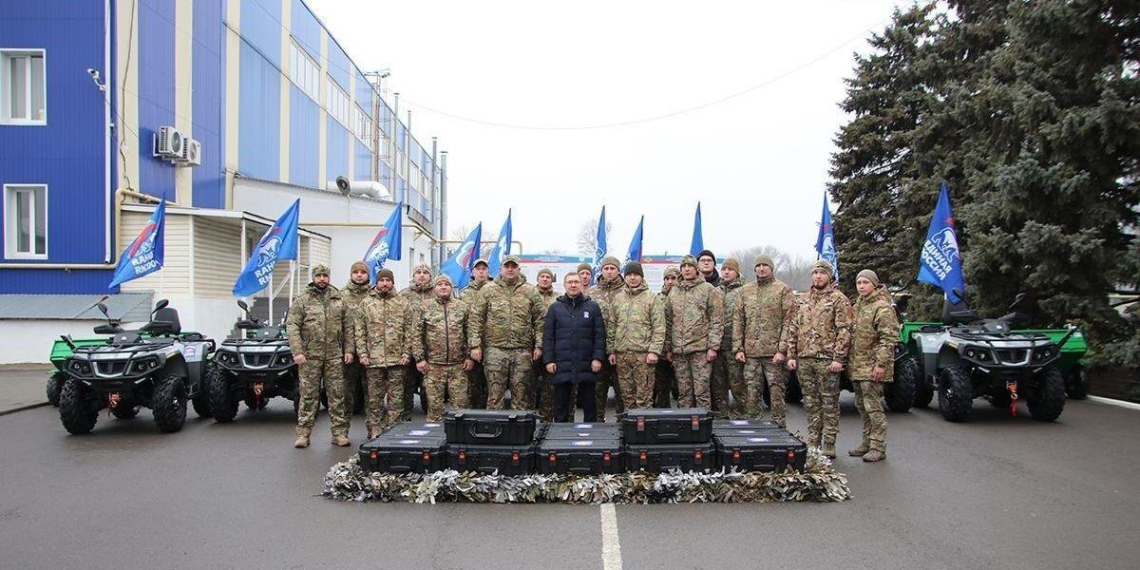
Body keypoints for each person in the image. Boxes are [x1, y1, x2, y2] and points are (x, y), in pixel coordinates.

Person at [786, 260, 852, 459]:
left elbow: (845, 330)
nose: (818, 276)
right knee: (811, 402)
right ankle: (814, 440)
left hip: (827, 360)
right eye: (815, 273)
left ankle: (829, 443)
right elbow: (793, 328)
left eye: (822, 273)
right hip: (805, 358)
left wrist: (839, 357)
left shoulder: (839, 300)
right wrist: (791, 354)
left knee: (829, 402)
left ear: (829, 277)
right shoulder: (803, 300)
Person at [468, 255, 545, 410]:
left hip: (522, 351)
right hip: (495, 350)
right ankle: (494, 431)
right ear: (500, 269)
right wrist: (475, 346)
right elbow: (476, 318)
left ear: (518, 269)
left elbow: (540, 320)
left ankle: (519, 432)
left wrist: (539, 345)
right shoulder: (488, 290)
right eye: (507, 266)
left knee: (521, 396)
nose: (510, 269)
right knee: (495, 396)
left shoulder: (530, 291)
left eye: (513, 266)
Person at [286, 264, 351, 448]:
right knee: (308, 396)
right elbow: (292, 326)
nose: (322, 279)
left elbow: (348, 327)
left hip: (334, 356)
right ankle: (304, 434)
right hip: (309, 356)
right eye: (318, 276)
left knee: (337, 395)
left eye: (325, 275)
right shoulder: (303, 300)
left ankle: (339, 433)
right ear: (313, 277)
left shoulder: (338, 298)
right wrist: (297, 351)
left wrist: (348, 350)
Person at [732, 254, 797, 426]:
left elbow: (789, 321)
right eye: (758, 265)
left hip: (774, 355)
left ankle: (780, 432)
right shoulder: (745, 291)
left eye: (765, 265)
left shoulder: (783, 290)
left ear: (771, 268)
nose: (761, 268)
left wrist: (782, 350)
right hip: (751, 354)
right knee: (752, 396)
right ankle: (753, 432)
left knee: (776, 395)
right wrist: (738, 348)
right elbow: (739, 321)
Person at [353, 268, 413, 438]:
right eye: (381, 280)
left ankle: (393, 432)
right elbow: (359, 331)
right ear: (377, 283)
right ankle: (375, 431)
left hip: (397, 361)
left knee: (396, 399)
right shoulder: (366, 304)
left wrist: (406, 354)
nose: (385, 283)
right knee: (374, 399)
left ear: (392, 282)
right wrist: (362, 354)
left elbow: (410, 330)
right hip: (373, 360)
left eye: (388, 280)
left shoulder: (402, 303)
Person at [848, 269, 898, 462]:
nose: (861, 286)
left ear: (874, 285)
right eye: (859, 283)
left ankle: (878, 446)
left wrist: (880, 364)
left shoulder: (882, 307)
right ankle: (867, 442)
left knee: (873, 407)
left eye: (865, 283)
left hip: (873, 367)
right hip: (858, 366)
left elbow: (888, 339)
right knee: (861, 405)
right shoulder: (858, 306)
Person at [542, 272, 606, 422]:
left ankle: (590, 437)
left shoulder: (592, 307)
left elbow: (599, 335)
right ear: (564, 285)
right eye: (569, 282)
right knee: (561, 406)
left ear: (581, 284)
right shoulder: (555, 308)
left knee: (589, 405)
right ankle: (560, 438)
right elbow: (548, 337)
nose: (573, 285)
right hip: (562, 364)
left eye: (576, 282)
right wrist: (549, 360)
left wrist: (597, 358)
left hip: (587, 364)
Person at [664, 255, 724, 410]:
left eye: (690, 266)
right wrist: (668, 348)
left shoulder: (708, 290)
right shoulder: (674, 292)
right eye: (683, 266)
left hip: (701, 350)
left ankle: (703, 428)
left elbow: (716, 320)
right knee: (684, 392)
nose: (686, 269)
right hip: (679, 351)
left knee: (701, 391)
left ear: (696, 269)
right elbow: (669, 321)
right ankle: (685, 427)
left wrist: (713, 347)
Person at [411, 275, 474, 421]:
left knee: (461, 408)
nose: (443, 287)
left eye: (447, 284)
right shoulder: (424, 307)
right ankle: (434, 438)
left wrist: (469, 356)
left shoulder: (462, 307)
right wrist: (419, 359)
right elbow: (416, 334)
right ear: (434, 288)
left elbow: (470, 332)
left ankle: (459, 438)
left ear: (451, 288)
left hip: (458, 366)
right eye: (440, 284)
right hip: (433, 366)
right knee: (434, 408)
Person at [608, 262, 666, 410]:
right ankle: (630, 429)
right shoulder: (618, 298)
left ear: (641, 276)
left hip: (643, 355)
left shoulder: (652, 298)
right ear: (625, 277)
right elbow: (612, 326)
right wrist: (611, 350)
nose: (632, 278)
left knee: (644, 397)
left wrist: (654, 351)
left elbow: (659, 327)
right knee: (627, 397)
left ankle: (644, 430)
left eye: (636, 275)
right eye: (629, 275)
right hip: (622, 355)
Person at [591, 255, 626, 420]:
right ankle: (598, 422)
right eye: (606, 268)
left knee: (623, 389)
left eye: (613, 268)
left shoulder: (627, 290)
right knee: (598, 389)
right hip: (598, 349)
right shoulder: (592, 292)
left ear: (619, 271)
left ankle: (622, 423)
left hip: (621, 348)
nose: (609, 271)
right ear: (601, 270)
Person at [399, 263, 435, 420]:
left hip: (431, 348)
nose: (422, 275)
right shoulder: (404, 295)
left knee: (428, 385)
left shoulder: (437, 293)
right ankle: (405, 415)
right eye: (418, 272)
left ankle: (431, 414)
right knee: (406, 383)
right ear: (413, 276)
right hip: (408, 347)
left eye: (425, 272)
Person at [712, 257, 745, 418]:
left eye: (730, 269)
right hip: (717, 347)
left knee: (737, 384)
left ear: (736, 272)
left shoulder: (744, 291)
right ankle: (722, 417)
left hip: (735, 347)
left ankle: (741, 416)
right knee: (719, 386)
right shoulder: (715, 292)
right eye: (724, 269)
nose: (726, 272)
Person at [341, 261, 373, 418]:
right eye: (356, 272)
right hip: (349, 351)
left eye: (363, 272)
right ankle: (341, 431)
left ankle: (374, 428)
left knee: (372, 392)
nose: (359, 275)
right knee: (346, 391)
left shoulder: (375, 294)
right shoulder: (341, 295)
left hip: (371, 350)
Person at [461, 259, 491, 409]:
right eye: (478, 269)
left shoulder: (495, 290)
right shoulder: (464, 294)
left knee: (493, 387)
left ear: (488, 272)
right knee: (474, 387)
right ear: (473, 272)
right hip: (473, 348)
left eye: (484, 269)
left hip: (493, 347)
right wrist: (468, 352)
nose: (481, 271)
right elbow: (461, 325)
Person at [533, 268, 563, 421]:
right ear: (537, 279)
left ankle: (546, 421)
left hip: (552, 349)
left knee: (549, 389)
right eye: (542, 276)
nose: (545, 279)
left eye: (548, 277)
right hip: (532, 349)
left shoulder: (559, 298)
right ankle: (528, 422)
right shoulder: (529, 295)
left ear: (552, 280)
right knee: (528, 388)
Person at [654, 266, 680, 408]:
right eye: (667, 278)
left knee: (683, 388)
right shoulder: (657, 298)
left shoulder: (683, 297)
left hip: (681, 350)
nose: (670, 282)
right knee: (662, 387)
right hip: (663, 351)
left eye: (673, 278)